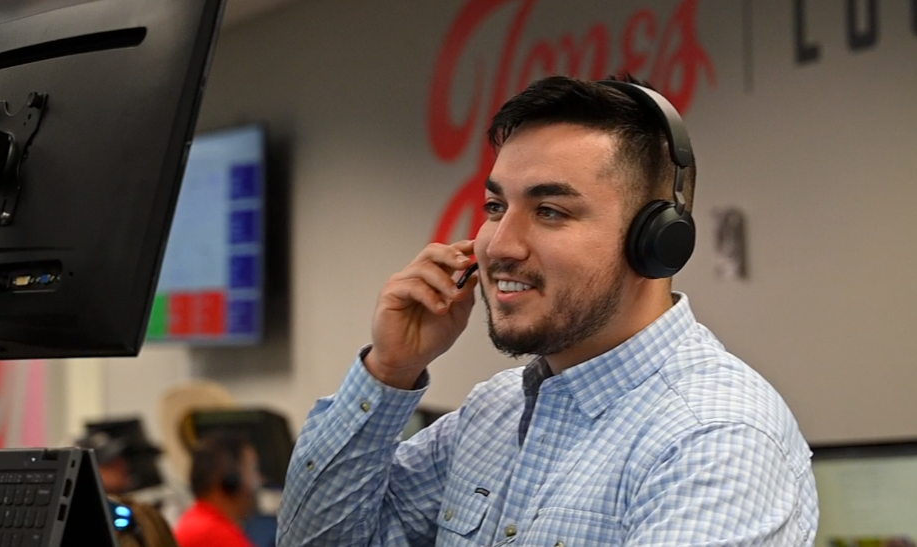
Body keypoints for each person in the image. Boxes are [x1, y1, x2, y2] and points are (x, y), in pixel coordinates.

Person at [276, 75, 819, 546]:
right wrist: (389, 371)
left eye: (550, 210)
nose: (498, 245)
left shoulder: (713, 437)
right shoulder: (494, 414)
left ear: (656, 241)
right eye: (495, 207)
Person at [175, 432, 261, 547]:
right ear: (231, 481)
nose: (260, 481)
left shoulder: (197, 522)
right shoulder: (212, 534)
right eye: (253, 470)